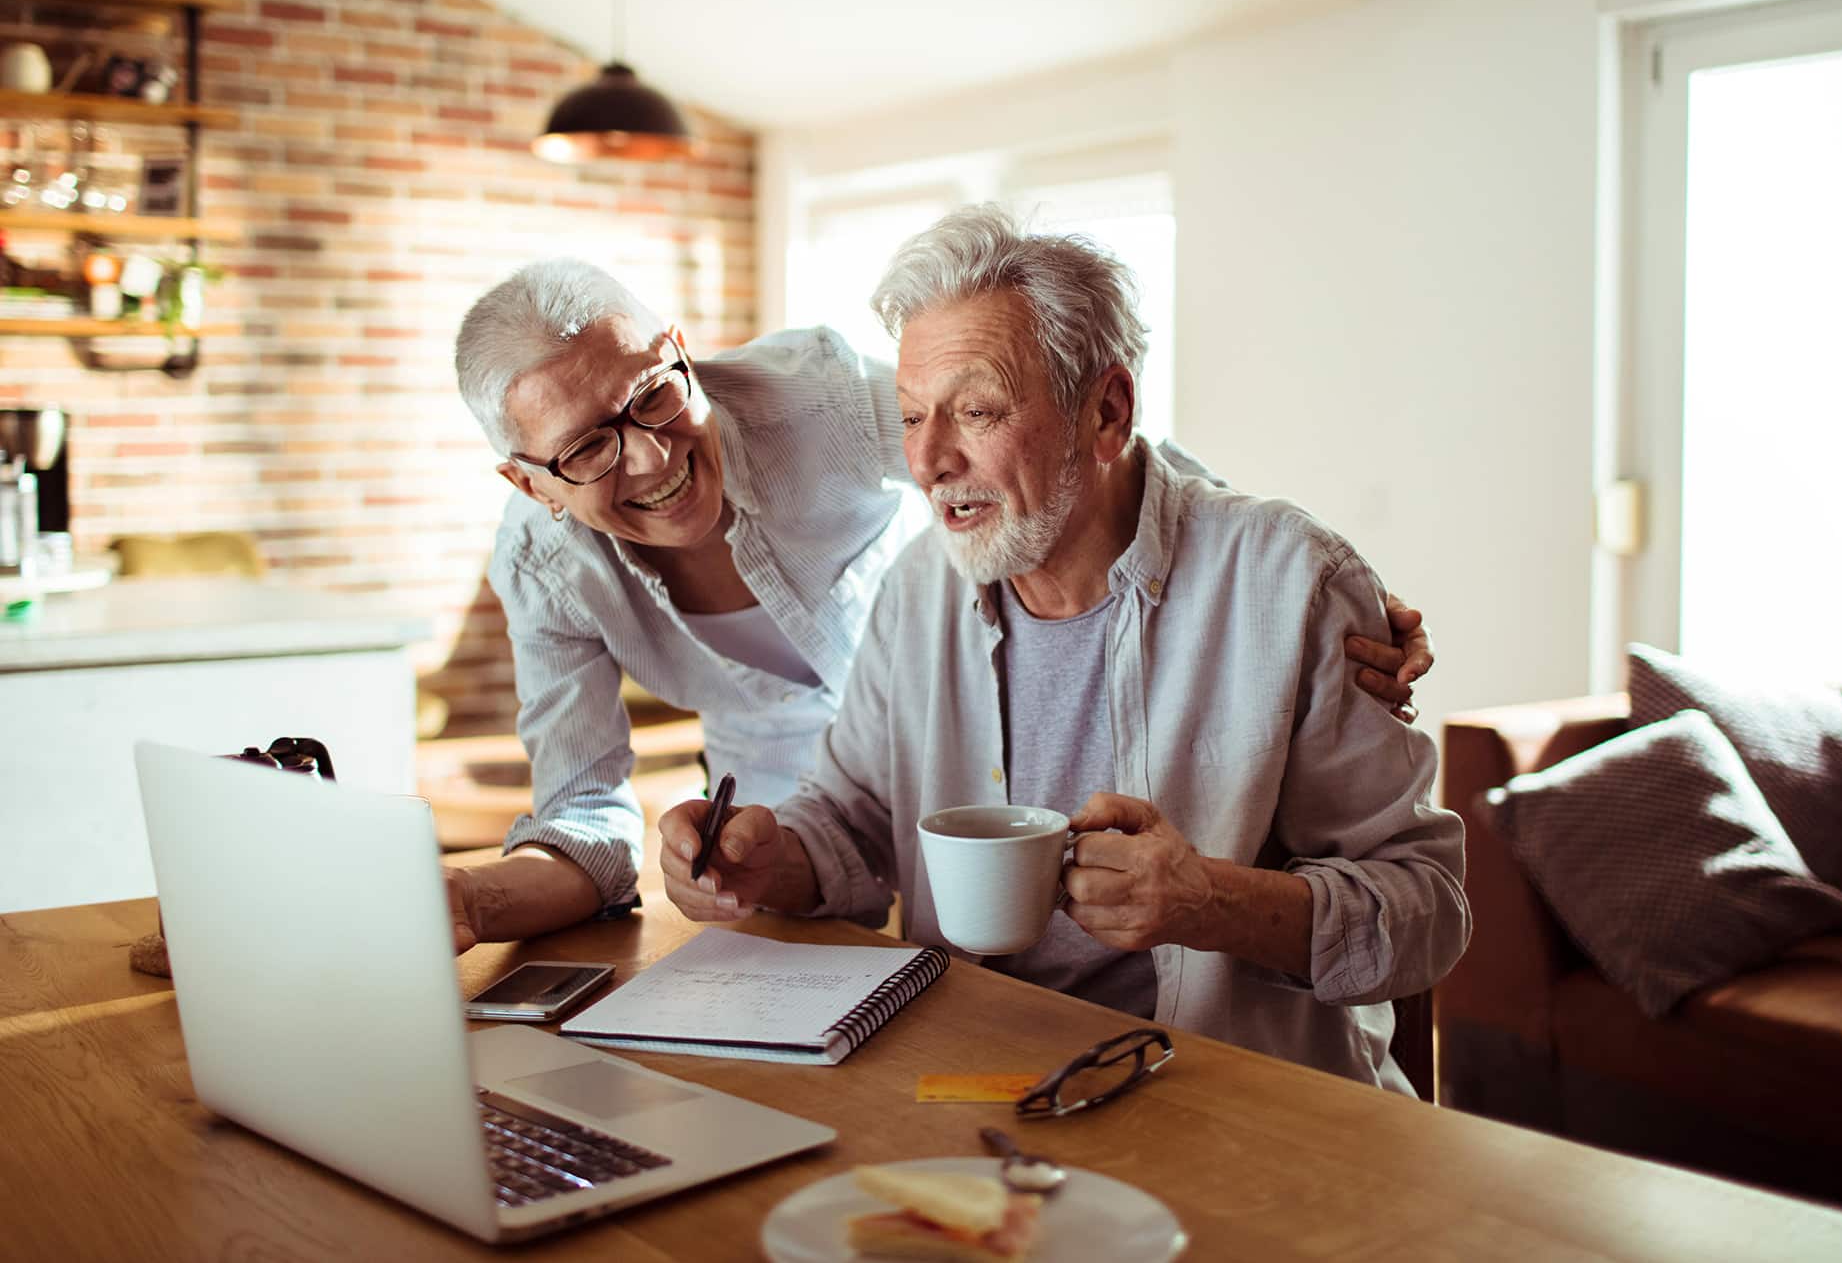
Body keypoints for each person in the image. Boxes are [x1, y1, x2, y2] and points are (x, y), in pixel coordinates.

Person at [657, 206, 1468, 1092]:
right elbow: (849, 822)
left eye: (977, 409)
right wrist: (764, 858)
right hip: (970, 1083)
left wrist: (1210, 902)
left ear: (1106, 411)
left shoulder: (1293, 582)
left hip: (1232, 1101)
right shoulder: (917, 589)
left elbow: (1428, 910)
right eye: (912, 415)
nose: (928, 459)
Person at [446, 258, 1435, 953]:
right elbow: (601, 808)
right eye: (586, 449)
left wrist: (1285, 578)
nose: (653, 455)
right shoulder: (545, 567)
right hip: (808, 811)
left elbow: (1069, 439)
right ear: (529, 483)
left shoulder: (818, 402)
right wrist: (470, 897)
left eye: (653, 397)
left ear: (677, 354)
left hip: (937, 744)